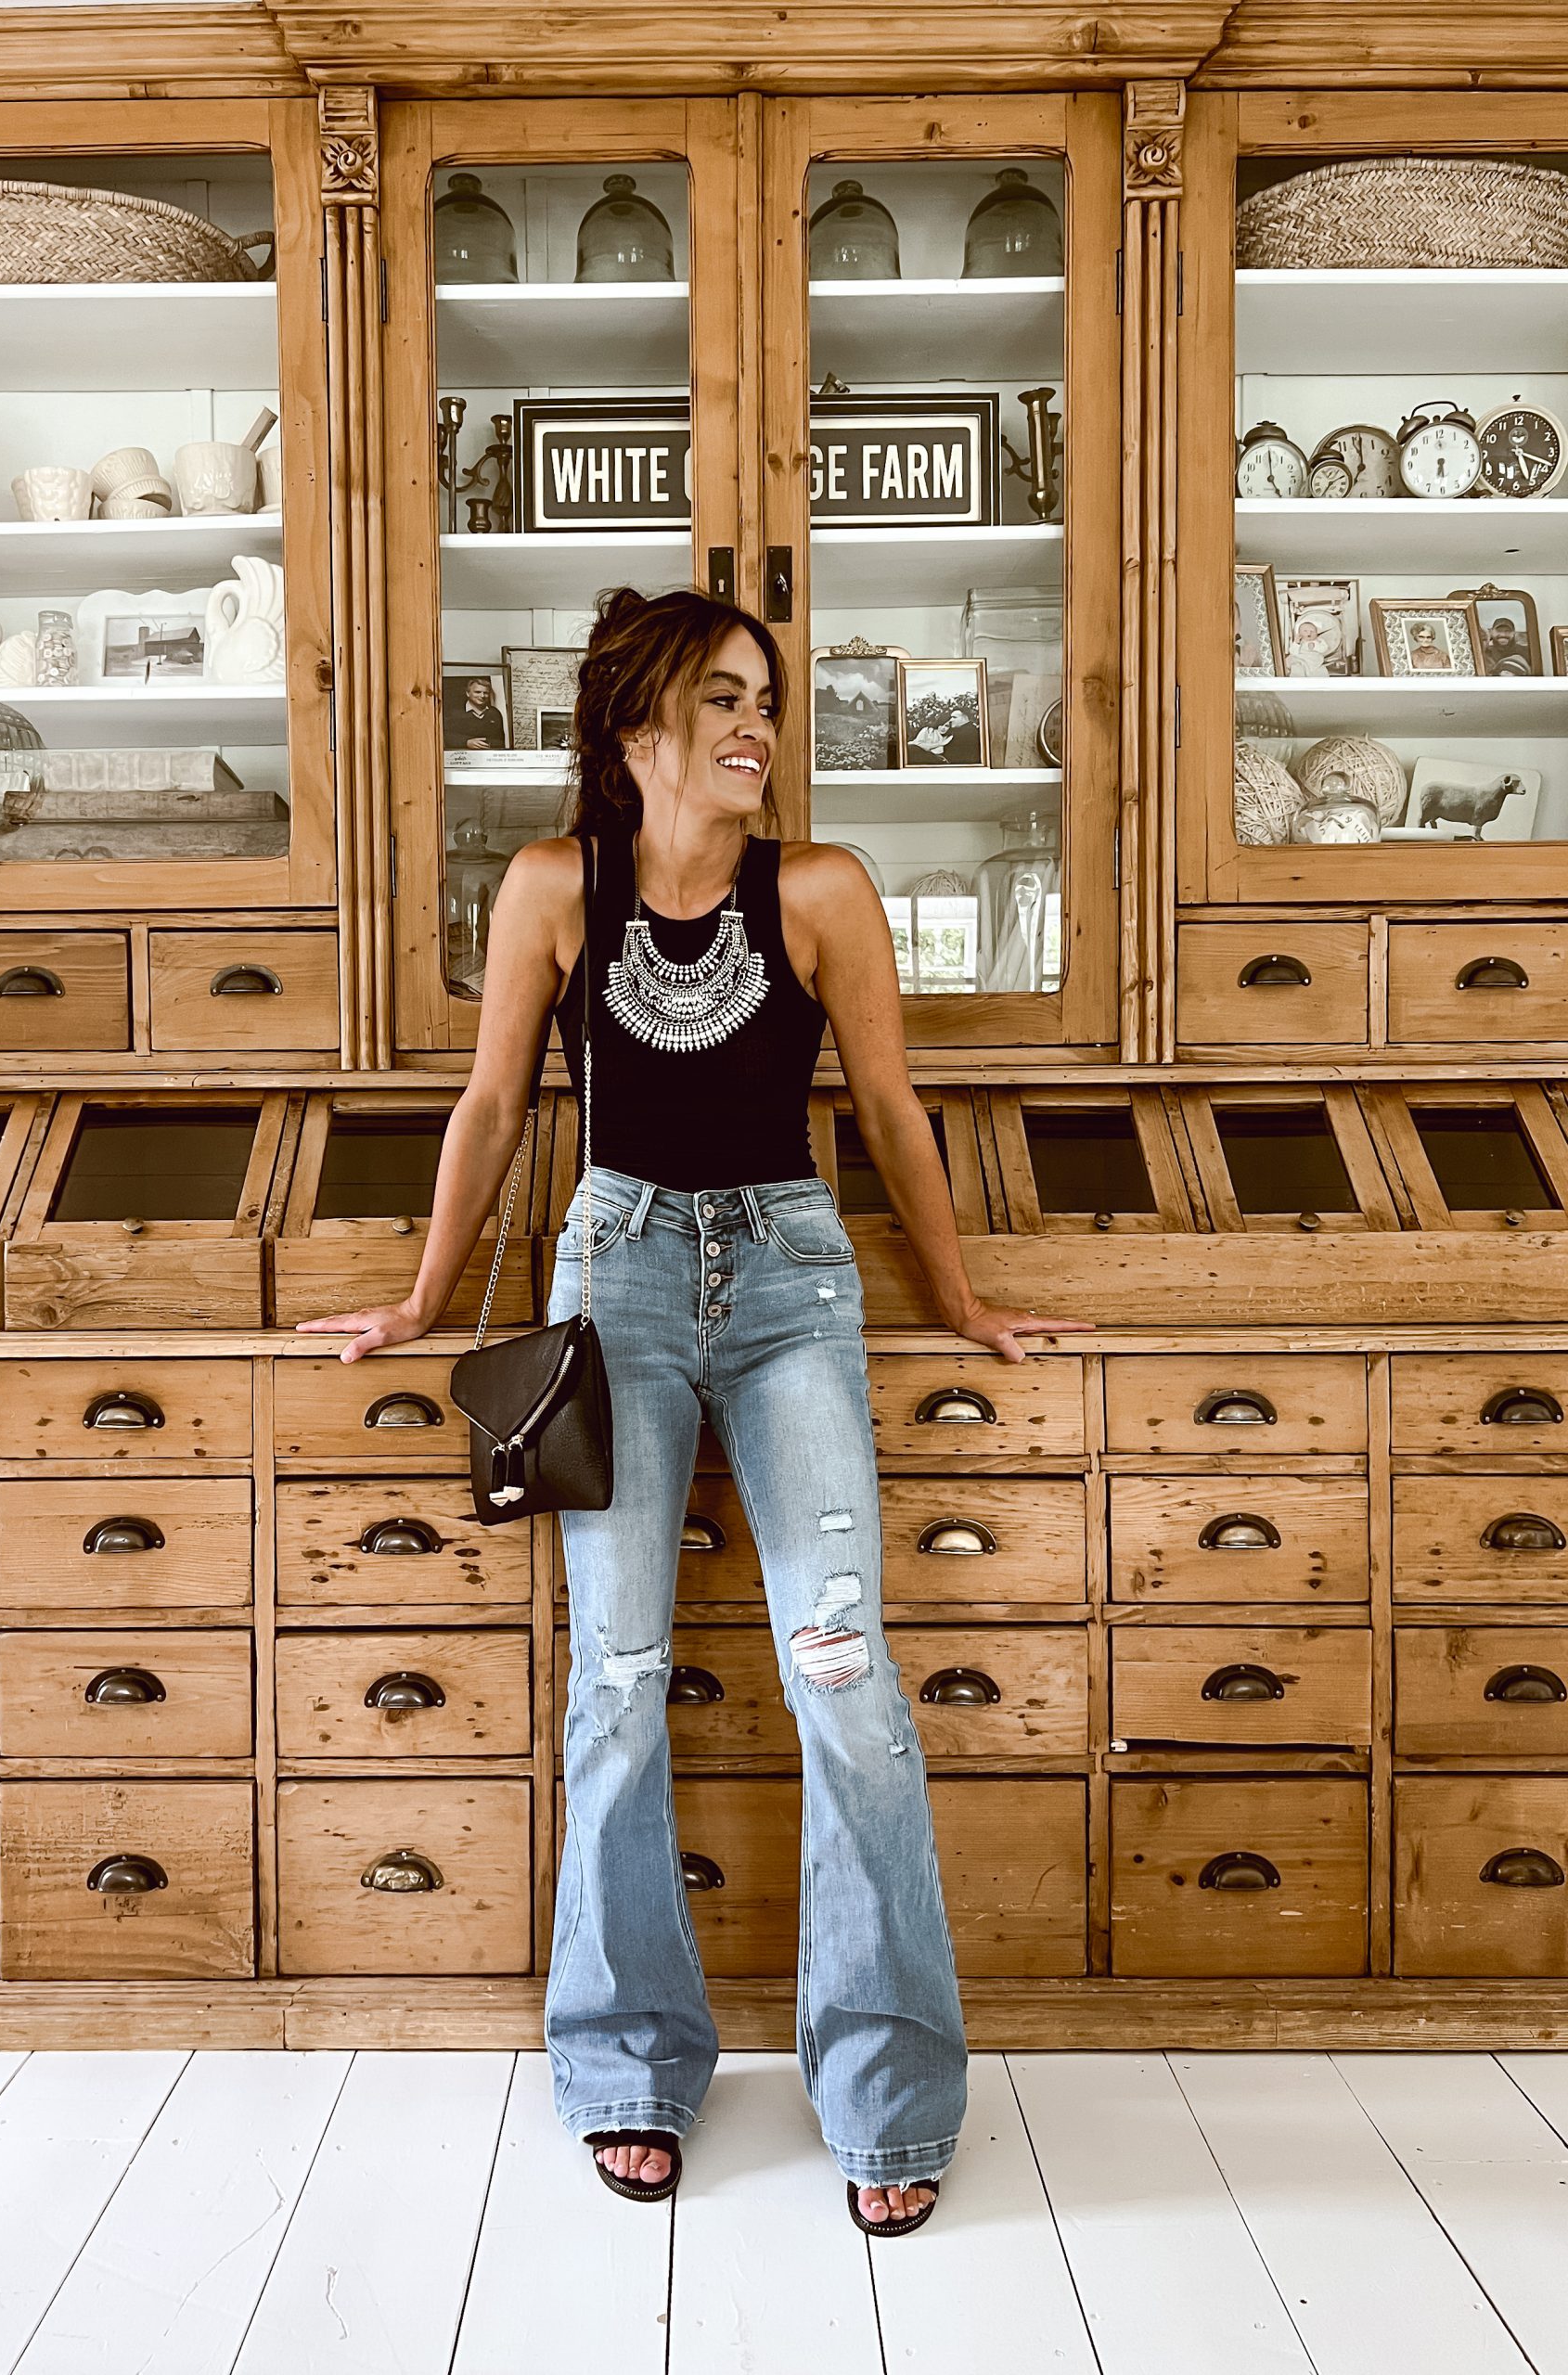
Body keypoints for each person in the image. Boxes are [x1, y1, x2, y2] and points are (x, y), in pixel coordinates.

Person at [299, 587, 1089, 2236]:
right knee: (617, 1683)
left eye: (766, 702)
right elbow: (493, 1105)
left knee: (845, 1676)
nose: (757, 728)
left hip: (793, 1283)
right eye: (724, 698)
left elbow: (890, 1109)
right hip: (620, 1278)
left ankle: (887, 2092)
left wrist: (960, 1302)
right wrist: (424, 1303)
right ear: (636, 723)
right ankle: (628, 2065)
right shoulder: (551, 888)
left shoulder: (821, 890)